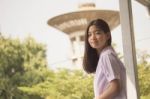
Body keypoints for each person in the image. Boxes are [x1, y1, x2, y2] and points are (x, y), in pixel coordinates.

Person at [83, 19, 127, 99]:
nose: (92, 37)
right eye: (89, 34)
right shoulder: (106, 56)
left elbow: (115, 87)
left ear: (107, 36)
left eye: (97, 33)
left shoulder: (107, 56)